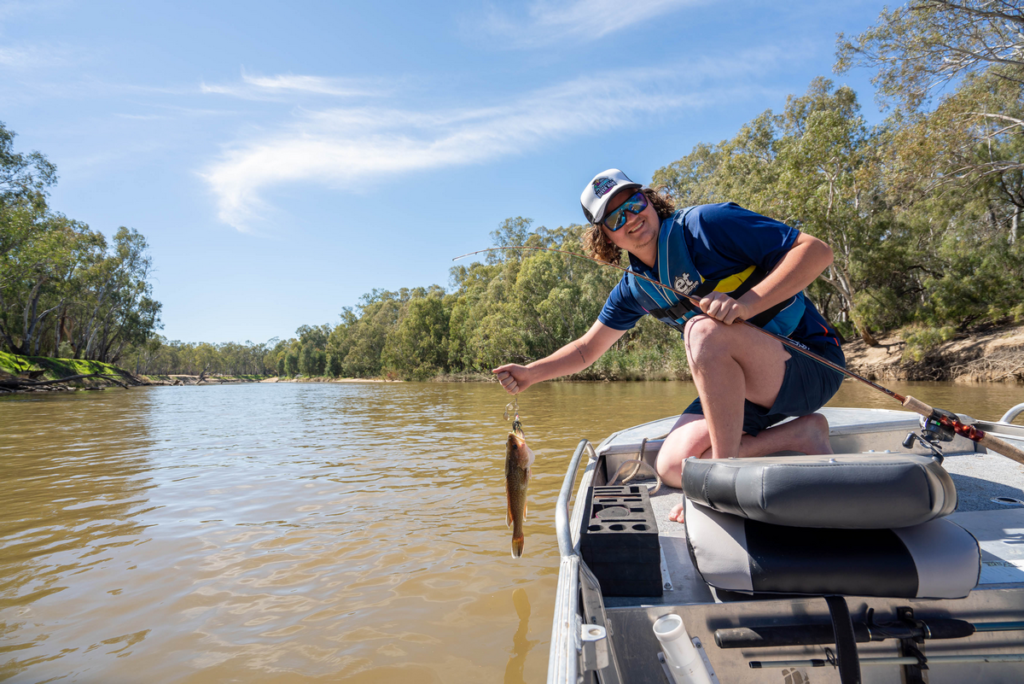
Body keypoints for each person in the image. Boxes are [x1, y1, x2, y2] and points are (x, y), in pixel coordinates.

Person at [492, 169, 846, 522]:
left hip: (810, 366)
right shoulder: (634, 289)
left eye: (634, 203)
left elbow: (816, 251)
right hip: (750, 392)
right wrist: (529, 374)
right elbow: (587, 349)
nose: (631, 218)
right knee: (673, 466)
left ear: (649, 199)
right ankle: (803, 433)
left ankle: (722, 483)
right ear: (606, 237)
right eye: (615, 218)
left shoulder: (708, 224)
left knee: (701, 332)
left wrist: (747, 304)